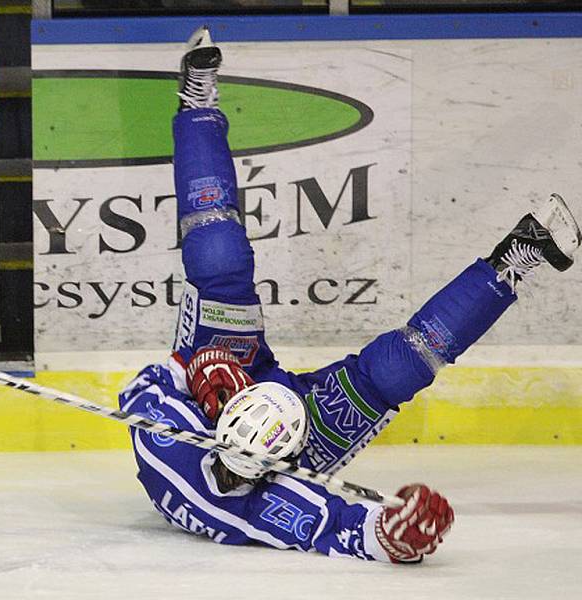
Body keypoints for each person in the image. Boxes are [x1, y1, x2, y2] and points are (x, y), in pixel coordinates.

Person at [118, 27, 581, 563]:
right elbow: (343, 528)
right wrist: (395, 536)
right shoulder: (266, 503)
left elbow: (140, 391)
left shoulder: (166, 443)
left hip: (221, 393)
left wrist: (195, 373)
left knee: (220, 257)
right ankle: (515, 259)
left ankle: (197, 104)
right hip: (286, 433)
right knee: (399, 367)